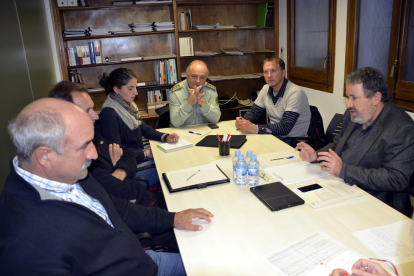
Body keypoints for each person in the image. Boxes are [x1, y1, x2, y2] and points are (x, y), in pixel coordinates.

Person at [0, 98, 214, 275]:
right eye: (84, 147)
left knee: (215, 252)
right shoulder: (23, 244)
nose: (93, 155)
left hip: (141, 259)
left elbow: (118, 208)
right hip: (141, 266)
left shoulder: (70, 174)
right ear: (45, 156)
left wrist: (173, 218)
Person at [296, 67, 414, 216]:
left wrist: (344, 170)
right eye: (347, 97)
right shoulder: (354, 115)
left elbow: (397, 178)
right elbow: (337, 145)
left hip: (376, 203)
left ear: (376, 98)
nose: (348, 104)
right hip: (341, 187)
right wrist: (316, 155)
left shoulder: (401, 128)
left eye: (354, 98)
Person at [48, 81, 166, 209]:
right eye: (88, 110)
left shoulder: (95, 133)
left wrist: (119, 169)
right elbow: (114, 195)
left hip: (136, 194)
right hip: (134, 201)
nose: (96, 116)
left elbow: (125, 151)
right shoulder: (75, 159)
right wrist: (119, 168)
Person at [96, 68, 179, 187]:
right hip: (129, 168)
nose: (136, 93)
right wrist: (146, 153)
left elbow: (144, 129)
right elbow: (119, 153)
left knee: (173, 158)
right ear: (116, 89)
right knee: (171, 167)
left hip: (138, 157)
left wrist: (165, 137)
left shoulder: (128, 106)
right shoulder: (109, 115)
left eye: (135, 87)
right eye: (130, 88)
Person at [235, 57, 311, 139]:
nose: (269, 75)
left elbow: (285, 128)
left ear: (283, 72)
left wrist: (255, 128)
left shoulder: (295, 93)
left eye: (273, 71)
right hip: (274, 138)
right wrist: (242, 122)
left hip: (293, 143)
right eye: (266, 72)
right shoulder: (265, 89)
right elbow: (254, 113)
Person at [169, 60, 221, 127]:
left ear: (206, 77)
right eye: (194, 76)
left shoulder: (211, 90)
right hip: (181, 132)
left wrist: (204, 104)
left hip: (203, 130)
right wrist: (188, 103)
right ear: (187, 75)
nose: (198, 81)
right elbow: (175, 123)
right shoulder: (176, 91)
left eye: (202, 77)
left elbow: (215, 119)